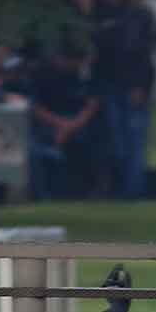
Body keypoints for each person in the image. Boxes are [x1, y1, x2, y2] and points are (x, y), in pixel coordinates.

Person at [95, 0, 156, 199]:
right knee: (118, 142)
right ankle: (121, 188)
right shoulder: (106, 16)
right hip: (112, 85)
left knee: (134, 141)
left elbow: (141, 54)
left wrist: (139, 85)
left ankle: (134, 191)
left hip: (133, 87)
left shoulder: (142, 16)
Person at [30, 35, 103, 199]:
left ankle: (86, 190)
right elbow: (36, 107)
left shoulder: (85, 75)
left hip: (78, 123)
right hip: (50, 122)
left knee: (91, 144)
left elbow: (92, 103)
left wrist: (71, 126)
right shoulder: (43, 73)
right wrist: (61, 124)